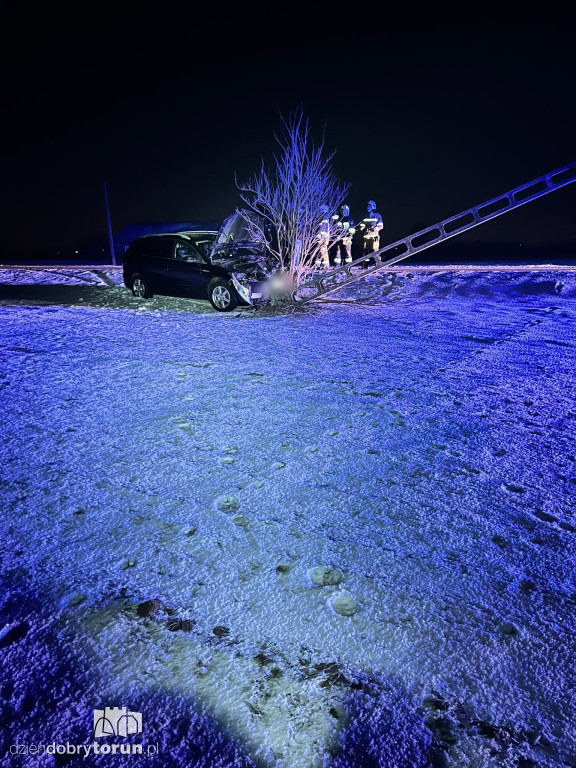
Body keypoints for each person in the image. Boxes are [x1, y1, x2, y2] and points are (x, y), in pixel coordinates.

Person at [358, 200, 383, 267]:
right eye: (367, 206)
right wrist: (363, 229)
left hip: (374, 237)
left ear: (373, 207)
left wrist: (375, 229)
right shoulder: (365, 216)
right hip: (366, 237)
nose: (367, 207)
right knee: (366, 252)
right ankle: (365, 265)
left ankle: (377, 264)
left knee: (375, 251)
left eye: (369, 206)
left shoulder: (377, 215)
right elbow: (361, 225)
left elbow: (381, 226)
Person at [317, 204, 330, 269]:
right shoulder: (323, 216)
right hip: (322, 237)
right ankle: (318, 264)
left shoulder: (324, 217)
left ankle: (326, 265)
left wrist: (322, 237)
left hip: (323, 237)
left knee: (323, 250)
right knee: (320, 250)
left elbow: (324, 228)